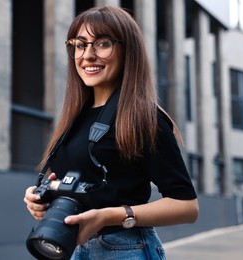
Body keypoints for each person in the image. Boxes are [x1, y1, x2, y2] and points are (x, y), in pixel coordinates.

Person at [24, 6, 198, 259]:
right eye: (80, 45)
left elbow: (187, 207)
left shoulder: (142, 117)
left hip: (125, 248)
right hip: (73, 246)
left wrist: (112, 215)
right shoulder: (74, 118)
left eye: (102, 44)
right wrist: (39, 198)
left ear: (128, 51)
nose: (88, 55)